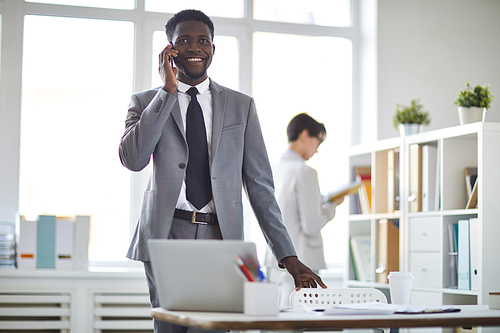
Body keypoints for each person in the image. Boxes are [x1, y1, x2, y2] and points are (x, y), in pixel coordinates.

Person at [118, 9, 326, 333]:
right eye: (183, 40)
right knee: (170, 329)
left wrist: (288, 256)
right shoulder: (146, 101)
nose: (194, 47)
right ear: (169, 50)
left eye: (203, 40)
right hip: (166, 233)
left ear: (213, 49)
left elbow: (260, 188)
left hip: (222, 238)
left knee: (215, 328)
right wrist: (166, 93)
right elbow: (133, 159)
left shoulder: (242, 106)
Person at [265, 113, 345, 307]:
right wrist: (332, 206)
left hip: (275, 259)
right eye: (318, 141)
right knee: (301, 320)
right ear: (304, 135)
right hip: (302, 261)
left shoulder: (271, 168)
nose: (316, 150)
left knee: (278, 317)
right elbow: (311, 226)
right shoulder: (306, 172)